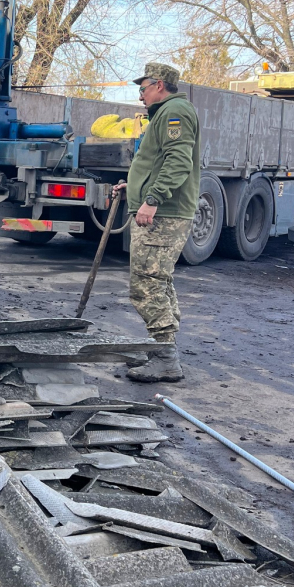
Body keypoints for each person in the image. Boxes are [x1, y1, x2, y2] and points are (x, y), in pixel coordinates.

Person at [112, 62, 201, 383]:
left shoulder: (174, 113)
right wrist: (133, 187)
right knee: (158, 280)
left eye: (143, 88)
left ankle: (165, 358)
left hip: (164, 214)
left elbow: (179, 160)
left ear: (159, 85)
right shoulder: (165, 113)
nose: (140, 96)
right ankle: (160, 347)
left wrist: (152, 199)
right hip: (163, 210)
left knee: (147, 284)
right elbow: (160, 160)